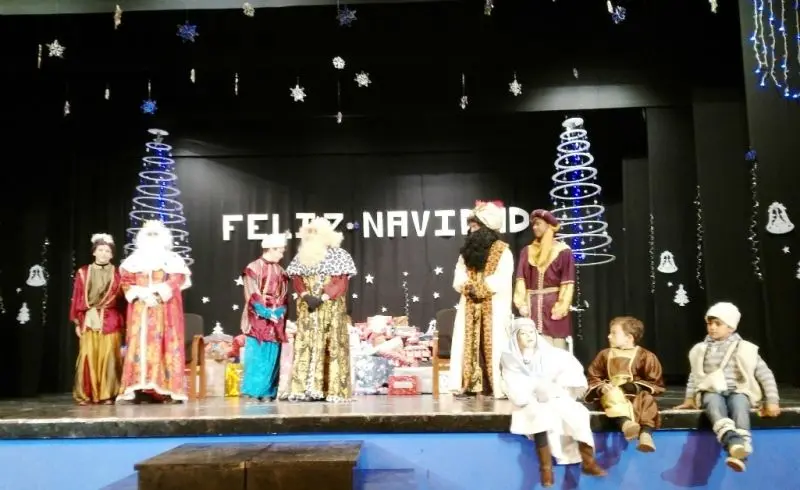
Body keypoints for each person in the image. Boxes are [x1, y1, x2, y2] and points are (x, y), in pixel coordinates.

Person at [674, 302, 781, 472]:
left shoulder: (745, 349)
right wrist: (689, 398)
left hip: (738, 389)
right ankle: (732, 440)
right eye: (710, 323)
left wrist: (772, 400)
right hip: (711, 390)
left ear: (731, 327)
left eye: (718, 324)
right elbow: (695, 376)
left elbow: (765, 375)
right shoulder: (701, 349)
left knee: (739, 405)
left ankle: (740, 451)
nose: (712, 327)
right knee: (713, 403)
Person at [501, 317, 606, 487]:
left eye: (531, 332)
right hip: (530, 401)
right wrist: (534, 391)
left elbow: (568, 372)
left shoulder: (552, 354)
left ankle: (588, 461)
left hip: (555, 396)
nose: (529, 336)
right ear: (515, 338)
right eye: (523, 333)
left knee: (578, 413)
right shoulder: (511, 360)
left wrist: (556, 389)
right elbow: (513, 384)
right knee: (539, 417)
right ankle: (546, 468)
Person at [117, 220, 192, 403]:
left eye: (155, 234)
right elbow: (126, 281)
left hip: (165, 310)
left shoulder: (173, 259)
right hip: (140, 310)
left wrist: (158, 293)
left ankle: (167, 389)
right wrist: (140, 294)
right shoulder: (133, 260)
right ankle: (139, 388)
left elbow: (176, 280)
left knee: (165, 345)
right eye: (149, 234)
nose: (152, 238)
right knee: (139, 346)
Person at [285, 217, 357, 402]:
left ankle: (330, 389)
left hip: (330, 309)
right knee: (306, 343)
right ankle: (303, 389)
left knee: (331, 344)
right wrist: (306, 296)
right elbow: (297, 280)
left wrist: (323, 298)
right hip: (308, 309)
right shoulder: (302, 256)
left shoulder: (340, 255)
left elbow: (340, 283)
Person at [449, 200, 514, 398]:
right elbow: (459, 273)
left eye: (475, 226)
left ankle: (493, 385)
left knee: (494, 343)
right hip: (469, 302)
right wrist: (467, 286)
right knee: (466, 342)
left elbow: (502, 277)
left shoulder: (503, 251)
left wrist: (480, 288)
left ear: (486, 228)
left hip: (494, 305)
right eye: (470, 226)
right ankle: (469, 384)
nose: (471, 230)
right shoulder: (467, 252)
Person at [585, 316, 665, 452]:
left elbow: (655, 382)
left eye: (614, 333)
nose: (609, 336)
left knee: (647, 400)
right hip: (613, 393)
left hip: (636, 395)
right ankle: (626, 424)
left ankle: (645, 434)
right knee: (612, 395)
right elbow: (594, 376)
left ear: (629, 337)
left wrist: (634, 386)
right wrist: (602, 387)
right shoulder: (604, 355)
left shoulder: (646, 356)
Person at [69, 233, 125, 405]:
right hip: (89, 319)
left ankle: (108, 394)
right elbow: (77, 297)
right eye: (100, 250)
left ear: (112, 255)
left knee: (109, 356)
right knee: (89, 355)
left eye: (107, 251)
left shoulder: (118, 274)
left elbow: (123, 300)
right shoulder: (83, 272)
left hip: (110, 319)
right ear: (94, 252)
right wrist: (77, 321)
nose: (103, 254)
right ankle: (87, 393)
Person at [513, 209, 575, 350]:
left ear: (549, 225)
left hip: (553, 306)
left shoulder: (563, 251)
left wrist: (561, 307)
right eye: (533, 225)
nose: (534, 228)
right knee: (533, 346)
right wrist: (521, 303)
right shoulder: (527, 251)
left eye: (538, 224)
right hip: (533, 308)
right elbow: (521, 279)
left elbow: (567, 282)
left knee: (556, 349)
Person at [239, 233, 289, 402]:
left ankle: (268, 391)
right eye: (280, 251)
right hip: (257, 318)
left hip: (275, 318)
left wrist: (279, 311)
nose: (282, 254)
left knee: (272, 355)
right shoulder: (253, 268)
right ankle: (253, 391)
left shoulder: (281, 271)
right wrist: (266, 312)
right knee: (257, 355)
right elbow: (252, 293)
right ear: (271, 249)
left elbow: (284, 295)